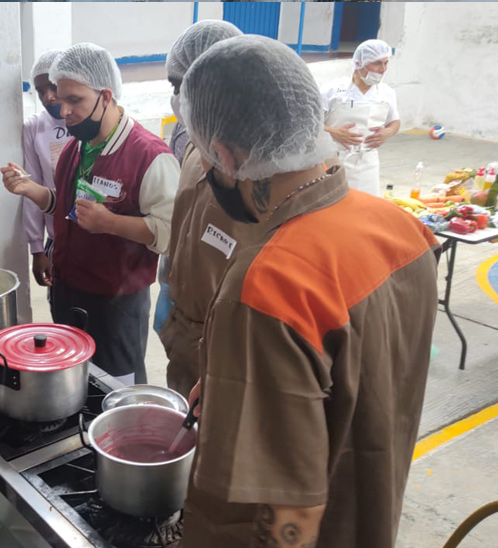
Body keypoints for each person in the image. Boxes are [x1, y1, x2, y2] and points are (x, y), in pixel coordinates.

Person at [176, 35, 439, 548]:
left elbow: (288, 515)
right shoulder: (402, 229)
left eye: (207, 162)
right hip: (371, 514)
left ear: (227, 157)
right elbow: (361, 381)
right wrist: (248, 393)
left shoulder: (267, 285)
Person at [2, 43, 178, 386]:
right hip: (69, 290)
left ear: (106, 96)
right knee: (75, 382)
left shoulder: (149, 156)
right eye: (57, 97)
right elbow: (69, 208)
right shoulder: (77, 147)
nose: (61, 109)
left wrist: (111, 223)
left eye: (74, 100)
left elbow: (171, 231)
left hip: (117, 303)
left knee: (115, 388)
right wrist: (32, 190)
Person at [158, 20, 242, 398]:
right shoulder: (195, 144)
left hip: (224, 342)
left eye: (180, 87)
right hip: (183, 324)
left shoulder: (254, 168)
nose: (175, 98)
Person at [322, 39, 400, 196]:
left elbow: (395, 121)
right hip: (334, 160)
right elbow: (309, 124)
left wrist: (388, 132)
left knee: (367, 205)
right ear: (359, 63)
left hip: (368, 162)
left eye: (386, 63)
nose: (383, 69)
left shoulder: (387, 92)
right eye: (377, 63)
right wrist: (333, 132)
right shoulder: (332, 91)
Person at [23, 48, 72, 290]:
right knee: (62, 310)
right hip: (56, 238)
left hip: (95, 235)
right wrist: (37, 248)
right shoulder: (34, 128)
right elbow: (32, 190)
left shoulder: (87, 123)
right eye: (41, 91)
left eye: (54, 87)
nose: (48, 97)